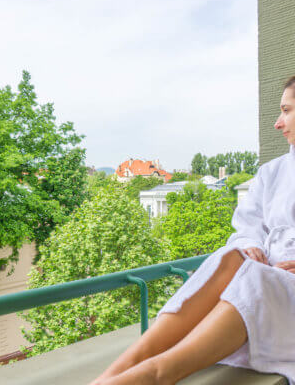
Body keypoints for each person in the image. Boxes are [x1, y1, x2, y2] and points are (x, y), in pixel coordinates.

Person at [88, 77, 295, 385]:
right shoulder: (273, 172)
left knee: (254, 278)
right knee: (230, 256)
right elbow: (247, 226)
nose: (278, 123)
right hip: (270, 276)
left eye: (286, 110)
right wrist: (250, 245)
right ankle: (130, 362)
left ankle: (158, 373)